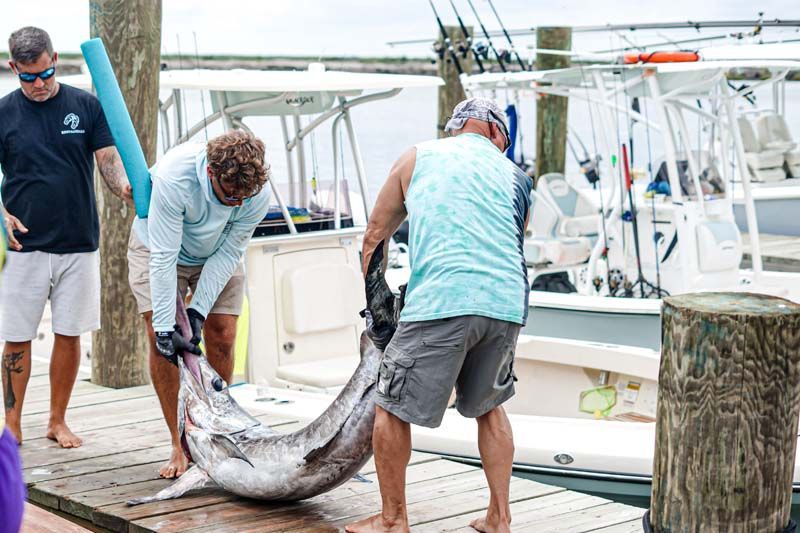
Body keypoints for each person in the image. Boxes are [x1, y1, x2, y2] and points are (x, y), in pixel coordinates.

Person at [346, 98, 532, 533]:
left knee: (390, 408)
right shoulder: (518, 178)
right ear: (496, 135)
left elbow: (375, 234)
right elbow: (512, 241)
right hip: (506, 304)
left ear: (456, 128)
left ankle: (393, 520)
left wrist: (379, 310)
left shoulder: (418, 157)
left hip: (442, 300)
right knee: (491, 408)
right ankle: (499, 518)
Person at [0, 26, 132, 447]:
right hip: (24, 245)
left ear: (55, 58)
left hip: (78, 241)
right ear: (13, 68)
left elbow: (109, 161)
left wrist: (126, 189)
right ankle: (12, 424)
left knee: (70, 333)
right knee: (16, 337)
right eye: (28, 77)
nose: (39, 84)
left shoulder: (86, 105)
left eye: (46, 73)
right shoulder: (3, 112)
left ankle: (57, 420)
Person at [127, 130, 270, 478]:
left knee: (222, 332)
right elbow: (163, 257)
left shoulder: (255, 191)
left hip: (216, 252)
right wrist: (165, 327)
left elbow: (230, 253)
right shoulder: (176, 176)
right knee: (160, 339)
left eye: (243, 197)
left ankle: (214, 436)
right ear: (211, 173)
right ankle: (180, 444)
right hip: (160, 247)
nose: (238, 203)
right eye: (230, 195)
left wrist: (196, 311)